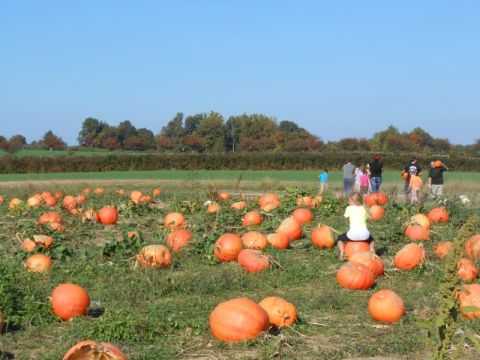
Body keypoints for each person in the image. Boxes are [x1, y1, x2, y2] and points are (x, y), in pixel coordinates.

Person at [337, 192, 375, 260]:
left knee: (339, 238)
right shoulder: (364, 208)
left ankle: (342, 253)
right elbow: (366, 218)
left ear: (354, 201)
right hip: (365, 235)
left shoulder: (349, 208)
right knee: (372, 240)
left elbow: (346, 217)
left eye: (349, 201)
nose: (348, 202)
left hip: (352, 235)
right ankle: (372, 250)